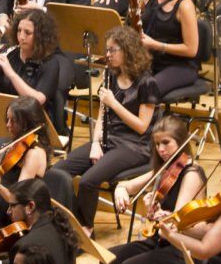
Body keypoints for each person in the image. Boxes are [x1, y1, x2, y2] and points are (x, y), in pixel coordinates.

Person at [100, 117, 204, 264]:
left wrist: (158, 212)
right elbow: (127, 185)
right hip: (160, 240)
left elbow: (178, 220)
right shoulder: (164, 170)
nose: (161, 149)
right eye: (157, 144)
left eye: (166, 143)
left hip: (181, 248)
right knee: (108, 258)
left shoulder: (191, 174)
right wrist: (121, 192)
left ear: (181, 142)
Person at [57, 24, 159, 226]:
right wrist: (95, 142)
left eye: (113, 50)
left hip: (134, 146)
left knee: (88, 181)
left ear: (128, 50)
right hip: (107, 140)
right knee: (58, 171)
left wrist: (115, 103)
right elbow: (103, 113)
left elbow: (142, 126)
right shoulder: (111, 75)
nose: (108, 54)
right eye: (107, 50)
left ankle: (84, 229)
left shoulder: (147, 83)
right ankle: (65, 224)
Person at [0, 6, 70, 135]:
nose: (21, 37)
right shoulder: (9, 54)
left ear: (40, 35)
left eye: (28, 33)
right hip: (5, 120)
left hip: (32, 124)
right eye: (19, 30)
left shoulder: (50, 63)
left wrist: (11, 74)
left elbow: (36, 101)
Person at [135, 0, 204, 98]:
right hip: (152, 61)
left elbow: (191, 49)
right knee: (116, 80)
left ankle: (148, 122)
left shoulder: (185, 5)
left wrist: (156, 45)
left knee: (148, 88)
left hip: (180, 66)